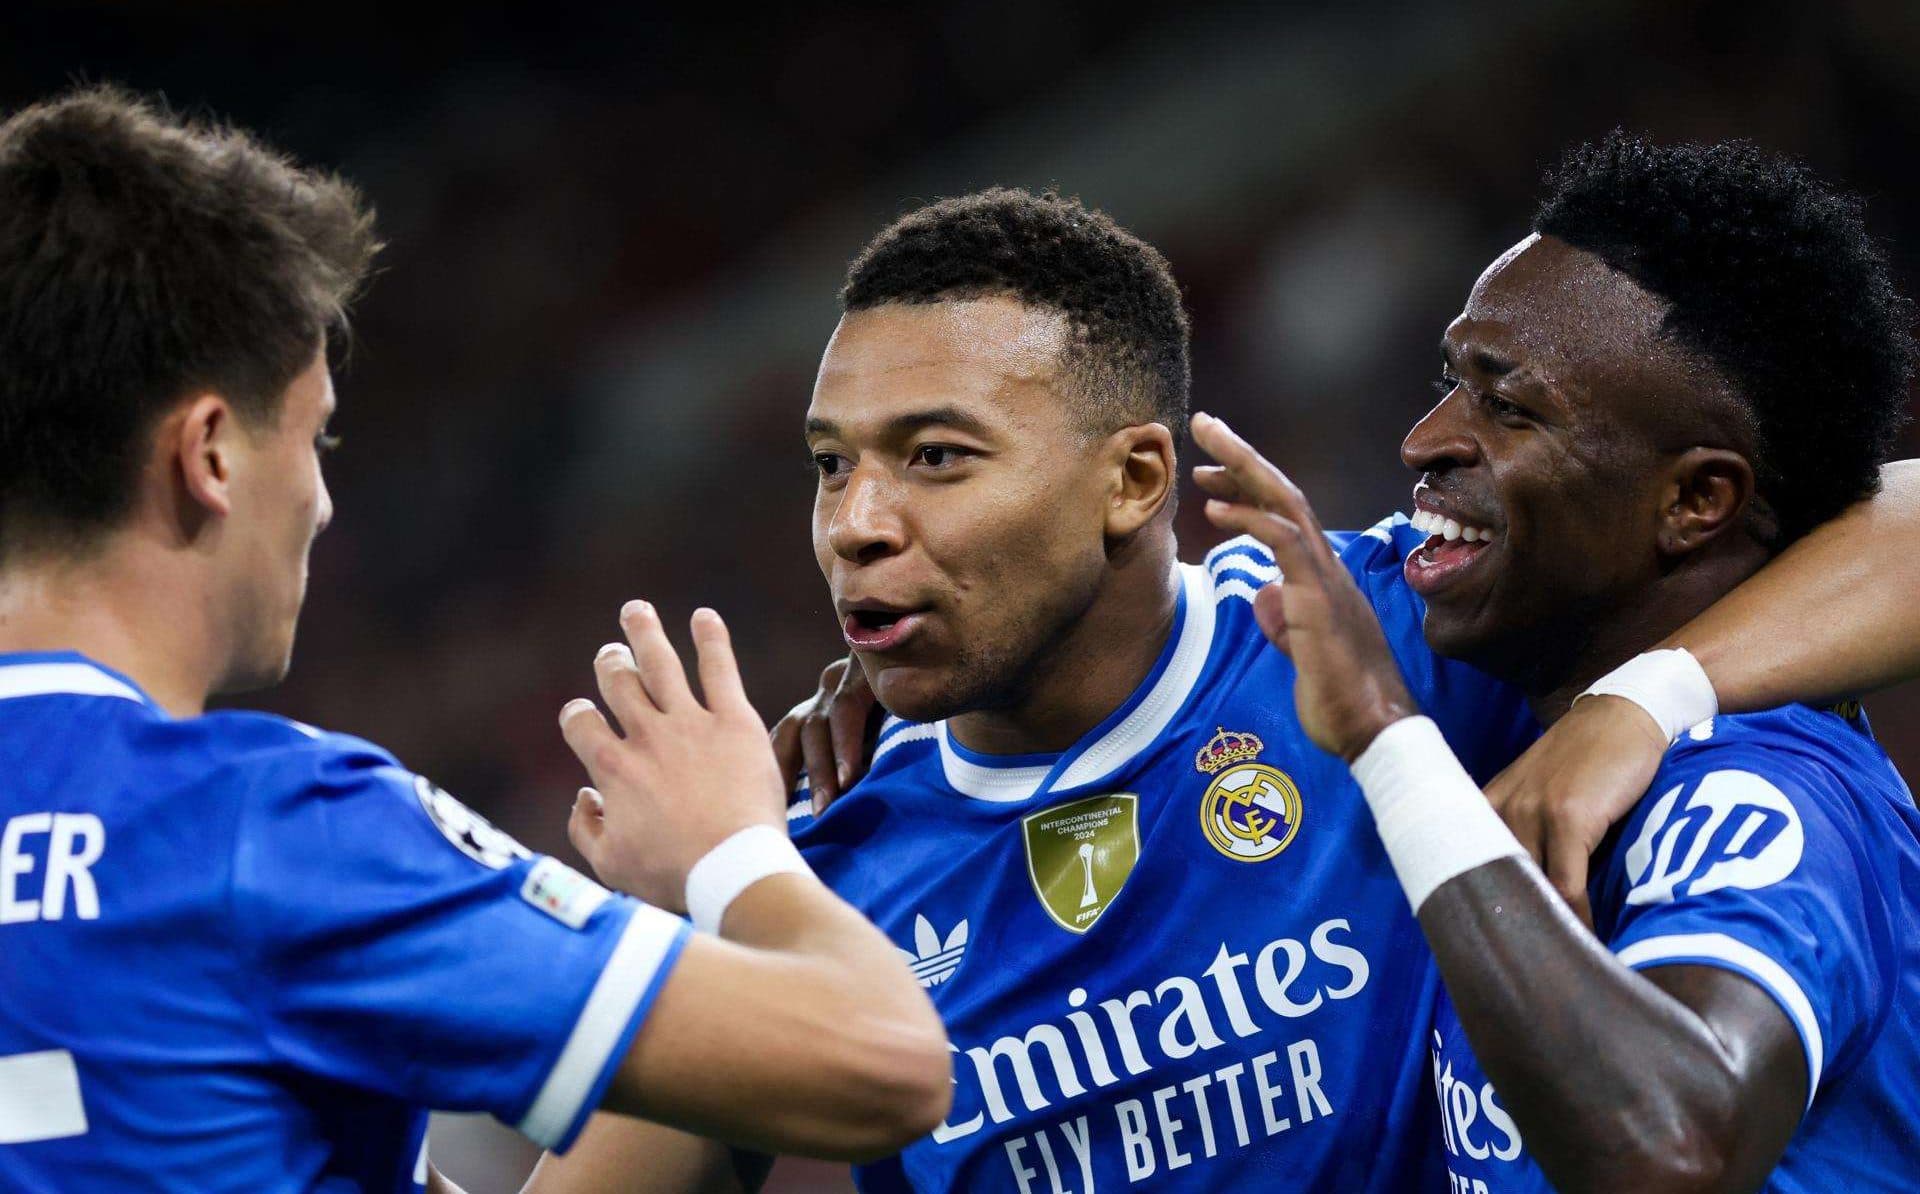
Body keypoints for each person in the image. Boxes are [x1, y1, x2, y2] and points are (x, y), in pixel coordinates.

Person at [534, 185, 1920, 1192]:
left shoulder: (1390, 640)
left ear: (1136, 480)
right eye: (832, 464)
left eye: (939, 456)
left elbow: (1877, 519)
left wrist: (1651, 693)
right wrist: (705, 888)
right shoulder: (822, 860)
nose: (857, 520)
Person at [0, 87, 949, 1193]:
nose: (320, 502)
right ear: (210, 454)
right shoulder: (269, 829)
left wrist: (646, 951)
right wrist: (734, 854)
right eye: (315, 436)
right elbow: (884, 1062)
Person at [1192, 133, 1919, 1191]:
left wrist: (1390, 744)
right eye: (1452, 380)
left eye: (1508, 405)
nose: (1425, 438)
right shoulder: (1530, 718)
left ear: (1694, 502)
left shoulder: (1755, 794)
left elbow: (1670, 1150)